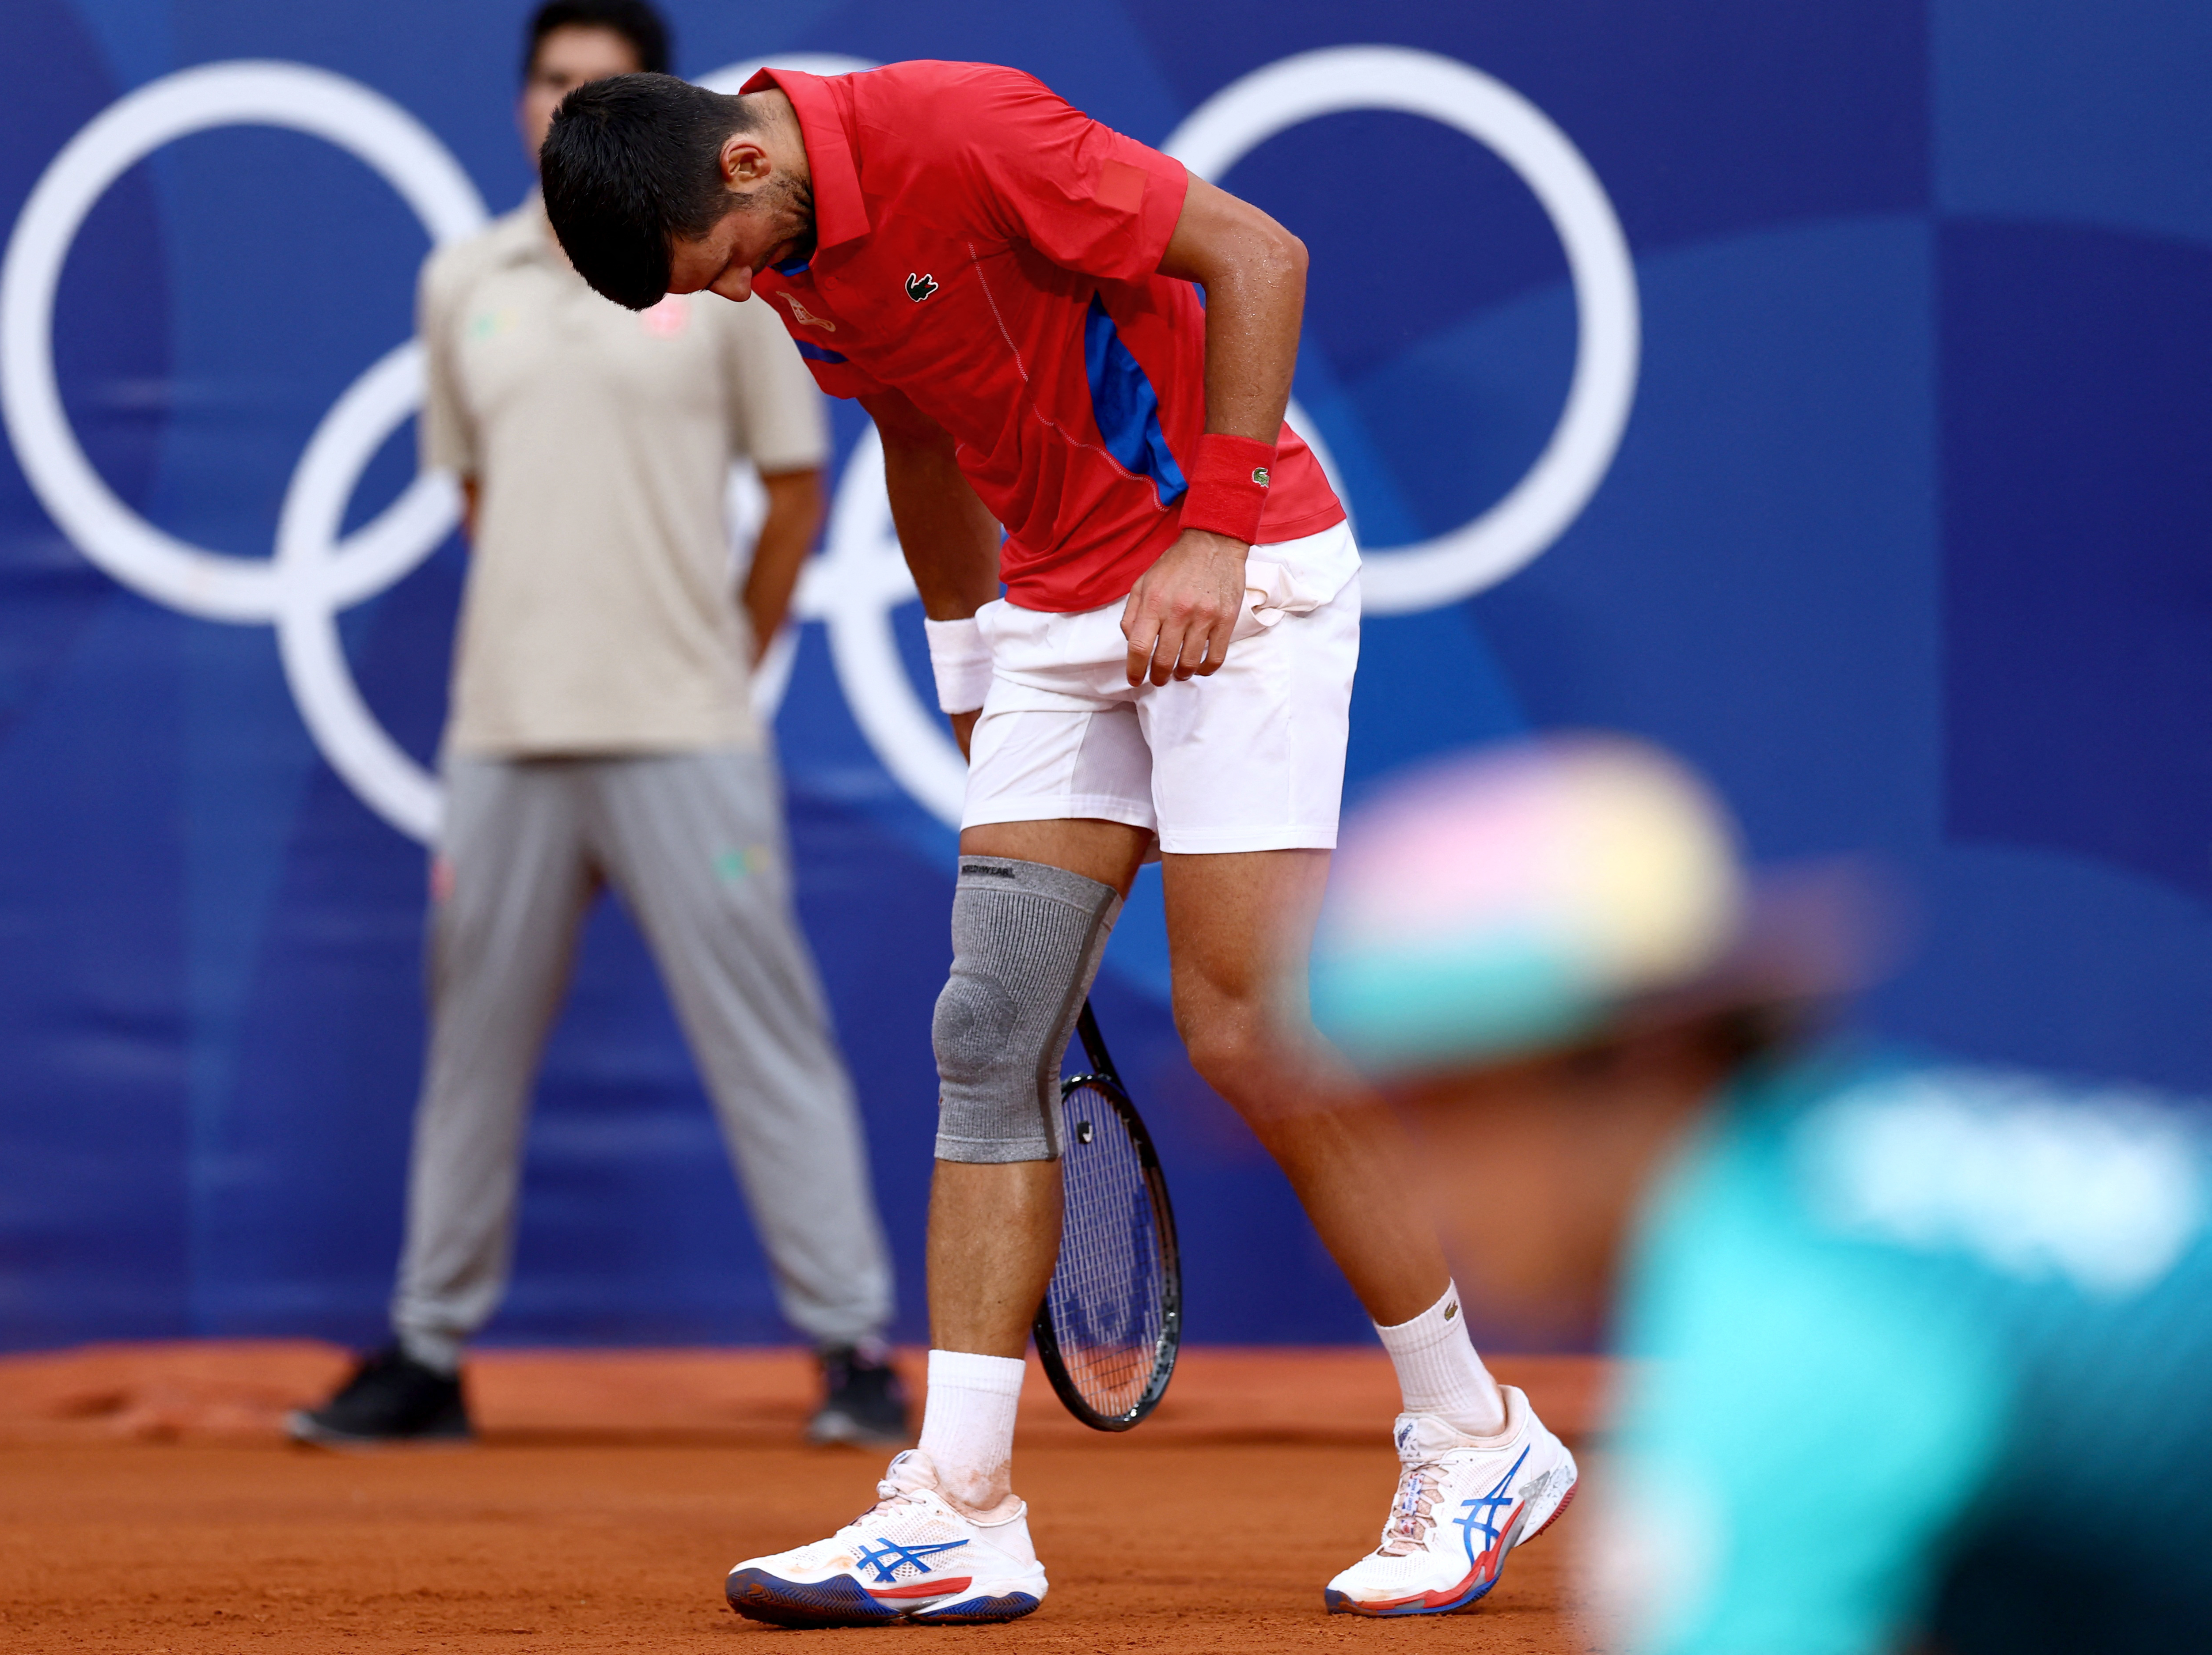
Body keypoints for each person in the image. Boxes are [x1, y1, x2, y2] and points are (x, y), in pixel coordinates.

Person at [536, 64, 1574, 1625]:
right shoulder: (790, 244)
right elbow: (912, 425)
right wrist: (967, 665)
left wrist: (1214, 534)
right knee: (986, 1032)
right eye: (720, 285)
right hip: (1052, 615)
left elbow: (1258, 255)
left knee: (1247, 1031)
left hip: (1240, 577)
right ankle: (959, 1507)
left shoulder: (964, 130)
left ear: (749, 157)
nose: (747, 290)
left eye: (733, 256)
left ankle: (1470, 1429)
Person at [287, 0, 905, 1453]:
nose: (569, 105)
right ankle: (428, 1354)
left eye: (601, 86)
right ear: (519, 102)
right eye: (551, 83)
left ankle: (850, 1348)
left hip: (685, 725)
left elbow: (794, 486)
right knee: (470, 1049)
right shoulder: (462, 281)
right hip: (502, 731)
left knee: (772, 1040)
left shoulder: (725, 273)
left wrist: (721, 660)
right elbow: (477, 494)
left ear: (654, 109)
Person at [1308, 735, 2212, 1654]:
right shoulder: (1826, 1166)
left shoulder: (1783, 1348)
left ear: (1643, 1065)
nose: (1424, 1186)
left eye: (1459, 1110)